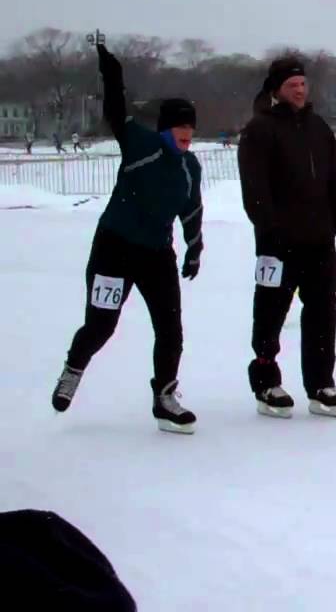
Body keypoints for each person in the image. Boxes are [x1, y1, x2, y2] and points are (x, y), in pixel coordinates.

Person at [52, 41, 204, 434]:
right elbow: (116, 112)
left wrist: (194, 247)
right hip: (114, 248)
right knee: (101, 325)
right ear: (165, 128)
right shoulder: (141, 145)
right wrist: (112, 74)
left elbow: (191, 208)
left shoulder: (190, 166)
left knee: (171, 329)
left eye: (191, 127)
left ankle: (164, 397)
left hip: (156, 254)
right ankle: (74, 367)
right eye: (180, 126)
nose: (187, 133)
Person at [238, 56, 336, 419]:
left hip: (318, 239)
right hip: (277, 242)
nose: (300, 89)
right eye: (293, 84)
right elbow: (255, 189)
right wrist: (269, 230)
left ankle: (321, 383)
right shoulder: (260, 129)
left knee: (322, 311)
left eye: (303, 84)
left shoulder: (317, 128)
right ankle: (266, 379)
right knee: (271, 310)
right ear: (277, 89)